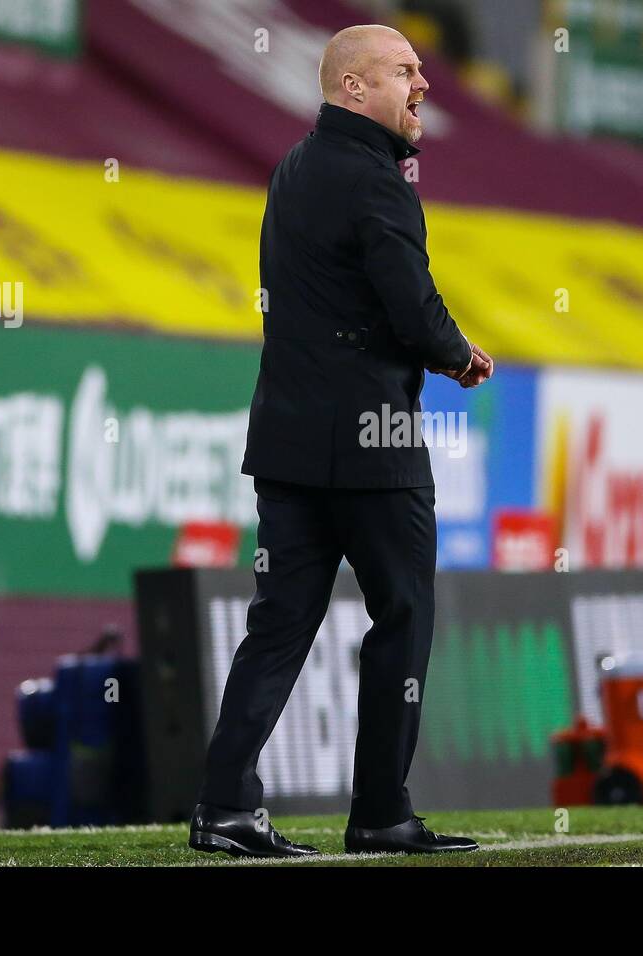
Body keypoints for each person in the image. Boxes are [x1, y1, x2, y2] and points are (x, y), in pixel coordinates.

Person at [187, 25, 492, 858]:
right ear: (354, 88)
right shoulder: (381, 183)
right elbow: (411, 306)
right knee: (404, 615)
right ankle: (381, 811)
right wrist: (461, 356)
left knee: (279, 623)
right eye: (405, 71)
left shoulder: (291, 170)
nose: (424, 83)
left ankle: (224, 808)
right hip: (374, 444)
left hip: (288, 445)